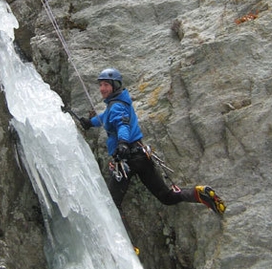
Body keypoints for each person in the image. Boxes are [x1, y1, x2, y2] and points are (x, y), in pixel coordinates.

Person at [79, 68, 226, 219]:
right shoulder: (120, 103)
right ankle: (198, 193)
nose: (102, 88)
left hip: (124, 160)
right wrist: (90, 122)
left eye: (106, 85)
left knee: (113, 204)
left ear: (115, 85)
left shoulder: (116, 106)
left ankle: (123, 243)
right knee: (166, 196)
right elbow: (105, 117)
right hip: (141, 155)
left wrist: (122, 143)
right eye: (101, 85)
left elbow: (122, 125)